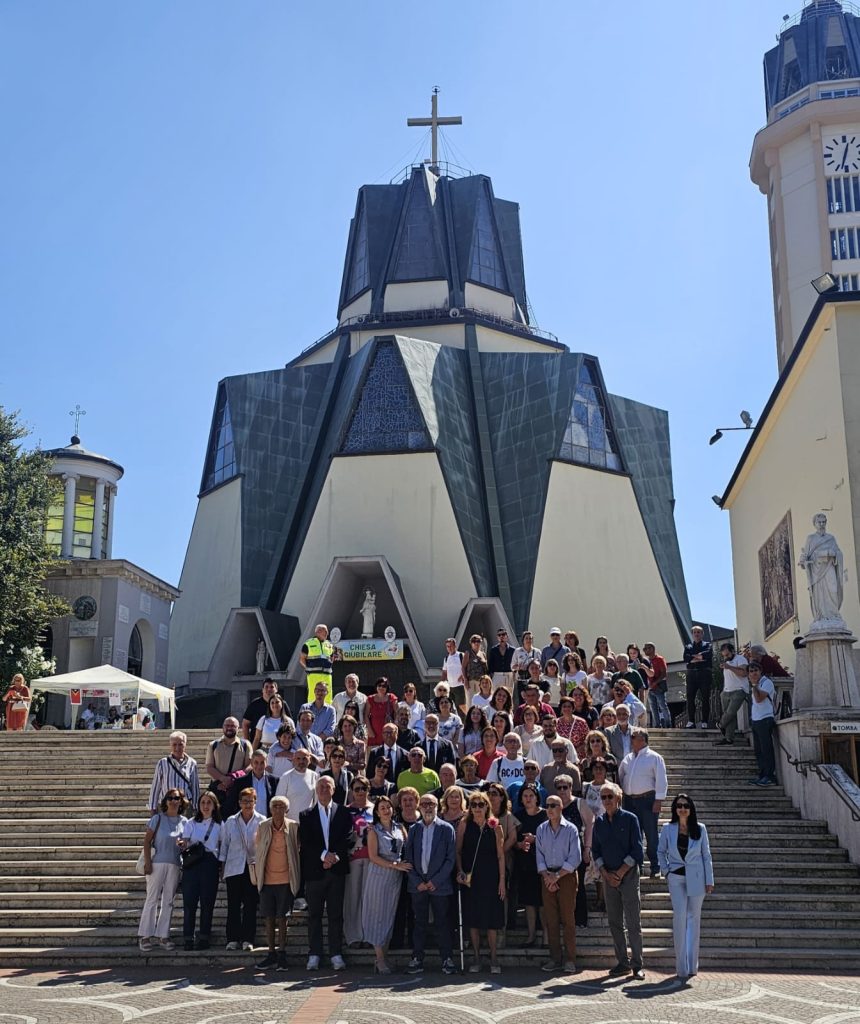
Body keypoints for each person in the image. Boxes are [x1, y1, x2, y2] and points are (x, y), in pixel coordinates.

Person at [657, 793, 714, 980]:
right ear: (675, 808)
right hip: (676, 878)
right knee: (680, 917)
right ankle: (680, 966)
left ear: (691, 809)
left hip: (697, 878)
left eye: (686, 806)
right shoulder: (668, 828)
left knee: (694, 920)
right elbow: (660, 851)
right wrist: (666, 871)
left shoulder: (700, 829)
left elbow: (706, 855)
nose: (682, 809)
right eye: (679, 805)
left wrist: (709, 880)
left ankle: (692, 966)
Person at [299, 775, 353, 971]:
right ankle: (314, 953)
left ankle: (336, 954)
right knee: (314, 914)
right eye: (320, 786)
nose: (323, 789)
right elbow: (306, 842)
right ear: (316, 789)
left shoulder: (344, 813)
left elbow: (348, 837)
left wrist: (335, 857)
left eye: (327, 786)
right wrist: (324, 856)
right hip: (315, 871)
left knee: (335, 915)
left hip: (337, 870)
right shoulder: (305, 815)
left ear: (333, 789)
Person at [592, 782, 645, 979]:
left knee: (633, 922)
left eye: (610, 797)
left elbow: (637, 850)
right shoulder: (599, 821)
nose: (606, 800)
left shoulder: (631, 819)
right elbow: (595, 850)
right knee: (614, 921)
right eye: (603, 797)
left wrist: (620, 873)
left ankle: (637, 964)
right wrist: (605, 873)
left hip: (628, 874)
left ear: (618, 798)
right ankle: (622, 962)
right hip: (608, 876)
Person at [404, 793, 457, 975]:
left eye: (431, 804)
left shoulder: (447, 829)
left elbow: (450, 859)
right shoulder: (414, 829)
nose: (428, 807)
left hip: (439, 886)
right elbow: (408, 858)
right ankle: (417, 958)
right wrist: (417, 881)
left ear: (438, 807)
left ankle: (447, 959)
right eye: (425, 804)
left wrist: (435, 881)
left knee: (442, 923)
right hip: (418, 885)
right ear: (419, 806)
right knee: (419, 923)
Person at [456, 791, 505, 974]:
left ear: (487, 807)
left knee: (492, 920)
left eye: (481, 804)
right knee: (473, 919)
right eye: (473, 805)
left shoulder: (496, 827)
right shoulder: (464, 825)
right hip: (471, 879)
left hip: (491, 877)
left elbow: (500, 856)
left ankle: (493, 957)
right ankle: (476, 957)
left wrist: (501, 881)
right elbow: (458, 851)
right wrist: (460, 871)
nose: (477, 808)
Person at [362, 794, 411, 974]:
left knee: (389, 916)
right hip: (380, 875)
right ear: (377, 811)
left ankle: (385, 956)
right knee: (377, 916)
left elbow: (406, 848)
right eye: (382, 807)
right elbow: (373, 857)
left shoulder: (399, 827)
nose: (386, 810)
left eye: (388, 807)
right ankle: (379, 959)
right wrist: (393, 865)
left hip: (395, 877)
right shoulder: (373, 830)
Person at [138, 789, 188, 951]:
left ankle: (163, 936)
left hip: (174, 863)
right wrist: (147, 862)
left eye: (177, 798)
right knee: (152, 899)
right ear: (166, 801)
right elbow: (147, 842)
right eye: (171, 798)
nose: (174, 801)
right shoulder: (157, 819)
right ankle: (145, 936)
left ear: (181, 801)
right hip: (157, 863)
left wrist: (184, 844)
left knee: (168, 901)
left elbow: (187, 843)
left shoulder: (185, 821)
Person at [254, 794, 301, 971]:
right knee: (268, 917)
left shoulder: (294, 827)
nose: (278, 810)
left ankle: (282, 953)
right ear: (270, 809)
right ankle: (271, 953)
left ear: (287, 809)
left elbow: (297, 849)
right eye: (275, 806)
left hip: (285, 879)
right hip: (267, 879)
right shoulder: (263, 826)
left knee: (283, 918)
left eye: (282, 807)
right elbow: (259, 850)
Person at [537, 794, 582, 973]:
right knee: (551, 920)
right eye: (547, 805)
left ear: (561, 808)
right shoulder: (541, 829)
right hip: (547, 876)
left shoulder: (571, 829)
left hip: (566, 876)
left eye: (553, 805)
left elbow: (575, 857)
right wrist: (547, 876)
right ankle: (554, 958)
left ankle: (570, 959)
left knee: (568, 919)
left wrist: (557, 876)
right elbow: (539, 855)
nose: (549, 809)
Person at [219, 787, 265, 951]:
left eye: (250, 801)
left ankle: (247, 939)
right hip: (234, 867)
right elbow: (224, 845)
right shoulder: (231, 821)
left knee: (250, 905)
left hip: (252, 868)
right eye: (244, 801)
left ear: (255, 802)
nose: (247, 804)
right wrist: (222, 867)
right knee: (233, 904)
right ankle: (232, 939)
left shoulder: (262, 821)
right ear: (239, 803)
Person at [618, 728, 667, 878]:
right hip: (629, 801)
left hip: (647, 800)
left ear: (643, 740)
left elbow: (661, 779)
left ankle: (655, 865)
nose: (631, 739)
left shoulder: (654, 757)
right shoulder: (628, 758)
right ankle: (637, 866)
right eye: (632, 737)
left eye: (634, 737)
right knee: (633, 834)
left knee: (651, 834)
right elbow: (621, 776)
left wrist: (658, 800)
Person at [178, 790, 222, 950]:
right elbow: (185, 843)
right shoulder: (191, 823)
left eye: (209, 803)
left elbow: (222, 846)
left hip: (210, 864)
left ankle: (204, 937)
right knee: (189, 903)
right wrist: (182, 844)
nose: (205, 806)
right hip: (193, 864)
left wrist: (221, 866)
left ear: (214, 805)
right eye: (203, 802)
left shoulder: (219, 825)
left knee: (207, 903)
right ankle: (188, 938)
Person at [554, 772, 594, 928]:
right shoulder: (553, 804)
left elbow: (590, 825)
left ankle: (581, 920)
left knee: (578, 886)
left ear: (571, 788)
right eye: (559, 787)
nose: (562, 790)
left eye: (565, 787)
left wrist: (587, 849)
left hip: (577, 849)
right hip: (557, 852)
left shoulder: (580, 803)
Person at [343, 776, 374, 948]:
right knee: (353, 898)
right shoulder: (345, 811)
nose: (360, 792)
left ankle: (369, 934)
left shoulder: (376, 809)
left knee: (369, 899)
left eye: (364, 788)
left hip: (372, 858)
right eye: (357, 789)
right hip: (352, 858)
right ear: (352, 792)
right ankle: (353, 936)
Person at [514, 782, 546, 946]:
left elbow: (552, 838)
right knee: (529, 902)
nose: (528, 799)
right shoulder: (517, 816)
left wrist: (536, 839)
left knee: (543, 902)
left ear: (537, 797)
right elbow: (512, 839)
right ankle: (531, 935)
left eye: (531, 796)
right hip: (525, 863)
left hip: (544, 864)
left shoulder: (546, 815)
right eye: (525, 796)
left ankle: (547, 936)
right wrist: (519, 845)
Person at [799, 512, 845, 623]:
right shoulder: (810, 538)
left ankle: (834, 613)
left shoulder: (831, 538)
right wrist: (802, 560)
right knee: (819, 593)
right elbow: (806, 555)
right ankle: (821, 615)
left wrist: (833, 553)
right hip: (816, 571)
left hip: (829, 567)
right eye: (819, 522)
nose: (821, 524)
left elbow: (838, 552)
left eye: (823, 522)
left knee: (833, 589)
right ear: (814, 524)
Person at [148, 731, 200, 814]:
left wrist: (196, 806)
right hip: (166, 805)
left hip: (185, 806)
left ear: (185, 745)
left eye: (180, 744)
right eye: (174, 745)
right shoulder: (162, 763)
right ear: (170, 745)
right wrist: (152, 808)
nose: (177, 748)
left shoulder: (192, 763)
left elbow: (195, 787)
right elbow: (156, 786)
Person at [206, 717, 253, 804]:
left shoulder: (246, 745)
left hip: (238, 788)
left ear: (238, 728)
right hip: (218, 787)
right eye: (227, 725)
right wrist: (224, 779)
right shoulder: (213, 745)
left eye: (233, 726)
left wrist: (233, 779)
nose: (229, 728)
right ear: (223, 727)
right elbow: (209, 767)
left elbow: (249, 766)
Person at [748, 661, 778, 786]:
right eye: (751, 671)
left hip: (765, 719)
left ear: (760, 671)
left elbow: (759, 699)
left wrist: (754, 685)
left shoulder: (766, 683)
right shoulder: (756, 684)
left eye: (755, 670)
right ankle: (762, 775)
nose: (753, 673)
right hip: (756, 720)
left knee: (766, 749)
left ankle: (770, 776)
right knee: (759, 750)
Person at [224, 750, 278, 818]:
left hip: (267, 824)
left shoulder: (274, 781)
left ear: (266, 763)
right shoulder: (240, 782)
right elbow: (230, 804)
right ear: (251, 763)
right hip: (246, 824)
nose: (259, 766)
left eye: (262, 763)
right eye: (256, 762)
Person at [715, 642, 749, 746]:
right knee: (731, 715)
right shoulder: (727, 662)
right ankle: (729, 738)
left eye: (728, 655)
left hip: (739, 690)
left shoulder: (740, 659)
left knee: (730, 712)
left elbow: (744, 673)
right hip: (726, 691)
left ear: (733, 651)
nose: (726, 657)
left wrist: (729, 667)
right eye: (724, 656)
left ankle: (720, 725)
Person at [275, 747, 318, 819]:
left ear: (309, 760)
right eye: (298, 758)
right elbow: (279, 801)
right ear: (293, 760)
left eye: (304, 758)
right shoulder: (286, 777)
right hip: (290, 822)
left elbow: (316, 801)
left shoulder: (315, 776)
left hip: (308, 820)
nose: (301, 761)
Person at [683, 626, 713, 729]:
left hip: (704, 674)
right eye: (695, 632)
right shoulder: (688, 646)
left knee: (705, 698)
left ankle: (705, 721)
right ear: (692, 634)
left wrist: (693, 658)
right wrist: (699, 658)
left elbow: (708, 654)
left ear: (702, 634)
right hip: (691, 674)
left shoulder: (707, 645)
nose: (696, 634)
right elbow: (685, 658)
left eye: (699, 632)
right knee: (690, 698)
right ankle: (691, 721)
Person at [300, 623, 335, 703]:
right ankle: (311, 714)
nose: (327, 633)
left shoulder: (329, 645)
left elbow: (332, 658)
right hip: (314, 675)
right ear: (317, 632)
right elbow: (302, 659)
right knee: (313, 695)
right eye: (325, 631)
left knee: (328, 696)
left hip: (327, 675)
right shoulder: (308, 644)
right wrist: (308, 669)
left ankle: (328, 713)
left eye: (327, 631)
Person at [642, 642, 670, 728]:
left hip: (658, 686)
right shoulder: (646, 660)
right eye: (644, 649)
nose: (645, 650)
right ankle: (657, 725)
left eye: (647, 648)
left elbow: (663, 674)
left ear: (652, 649)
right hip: (649, 687)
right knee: (653, 708)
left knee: (662, 706)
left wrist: (655, 682)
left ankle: (668, 725)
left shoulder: (659, 659)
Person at [366, 677, 399, 745]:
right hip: (374, 732)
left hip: (388, 732)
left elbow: (397, 713)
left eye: (384, 686)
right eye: (379, 685)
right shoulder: (370, 699)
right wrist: (369, 730)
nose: (381, 688)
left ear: (387, 687)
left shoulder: (392, 698)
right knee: (374, 753)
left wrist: (395, 728)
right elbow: (366, 715)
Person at [558, 696, 590, 760]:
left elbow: (588, 739)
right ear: (561, 708)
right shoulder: (556, 723)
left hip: (578, 757)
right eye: (564, 706)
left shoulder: (581, 722)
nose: (567, 708)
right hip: (561, 757)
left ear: (573, 708)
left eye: (569, 706)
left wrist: (575, 750)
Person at [511, 630, 542, 697]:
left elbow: (541, 666)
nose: (528, 640)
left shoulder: (537, 652)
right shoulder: (517, 651)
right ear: (523, 640)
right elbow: (512, 666)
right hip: (521, 679)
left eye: (530, 638)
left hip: (533, 680)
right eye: (526, 638)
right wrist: (519, 667)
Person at [463, 634, 489, 703]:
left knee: (481, 701)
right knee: (471, 702)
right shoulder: (468, 653)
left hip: (482, 683)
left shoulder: (483, 654)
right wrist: (465, 679)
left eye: (478, 641)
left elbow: (486, 669)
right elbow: (463, 667)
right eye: (474, 641)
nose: (476, 643)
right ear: (471, 643)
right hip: (471, 682)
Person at [441, 638, 466, 704]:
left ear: (455, 646)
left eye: (451, 646)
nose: (449, 648)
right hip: (450, 688)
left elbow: (468, 668)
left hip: (460, 687)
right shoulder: (446, 658)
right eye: (447, 646)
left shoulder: (461, 655)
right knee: (450, 707)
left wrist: (462, 676)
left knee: (461, 708)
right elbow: (444, 672)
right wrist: (441, 684)